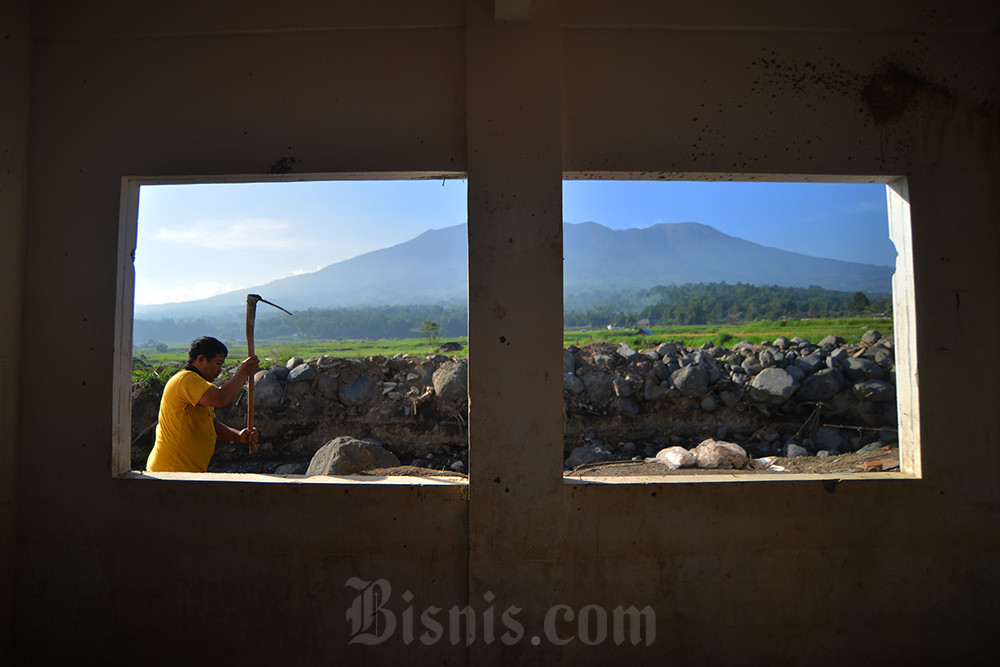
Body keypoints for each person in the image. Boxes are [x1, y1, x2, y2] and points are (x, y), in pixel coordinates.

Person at [146, 336, 260, 473]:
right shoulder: (186, 380)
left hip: (186, 472)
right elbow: (220, 398)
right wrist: (244, 372)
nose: (220, 370)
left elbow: (212, 424)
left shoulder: (201, 386)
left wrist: (238, 436)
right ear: (201, 360)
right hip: (172, 470)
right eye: (218, 364)